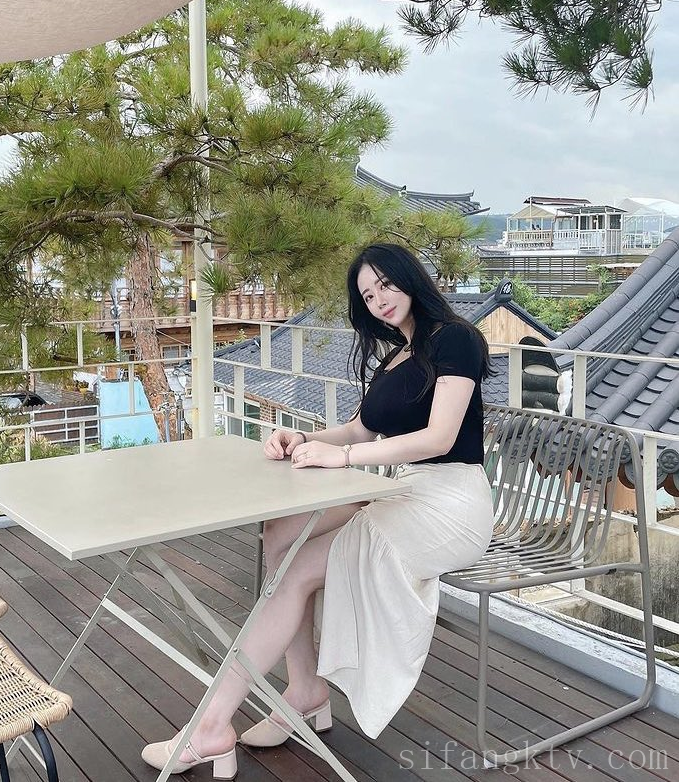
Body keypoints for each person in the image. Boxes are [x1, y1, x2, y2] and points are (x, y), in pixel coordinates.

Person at [142, 242, 496, 777]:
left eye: (386, 285)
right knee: (281, 533)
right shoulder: (394, 357)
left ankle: (211, 726)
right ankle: (305, 692)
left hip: (451, 505)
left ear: (411, 278)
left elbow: (438, 437)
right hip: (403, 490)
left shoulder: (456, 339)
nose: (379, 300)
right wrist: (303, 438)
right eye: (368, 295)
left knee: (296, 573)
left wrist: (343, 459)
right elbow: (359, 430)